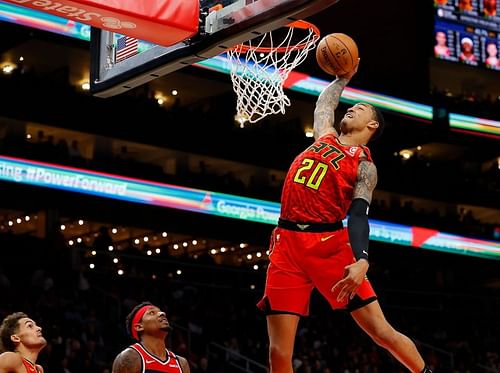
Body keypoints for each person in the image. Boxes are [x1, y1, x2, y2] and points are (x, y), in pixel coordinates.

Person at [257, 61, 433, 373]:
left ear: (372, 126)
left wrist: (362, 259)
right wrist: (343, 78)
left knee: (381, 332)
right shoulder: (324, 136)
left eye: (360, 108)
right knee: (278, 353)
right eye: (352, 106)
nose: (351, 108)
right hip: (287, 245)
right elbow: (325, 103)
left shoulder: (365, 166)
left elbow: (358, 215)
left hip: (330, 247)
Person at [112, 302, 190, 373]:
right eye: (152, 313)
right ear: (139, 327)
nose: (162, 313)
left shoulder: (182, 363)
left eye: (160, 311)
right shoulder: (130, 357)